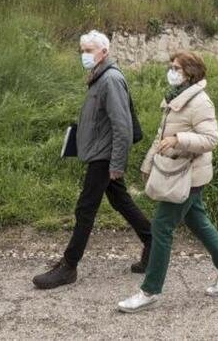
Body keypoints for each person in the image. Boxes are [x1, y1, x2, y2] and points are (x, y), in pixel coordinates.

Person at [117, 50, 218, 313]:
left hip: (189, 175)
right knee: (198, 221)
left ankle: (149, 291)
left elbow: (211, 139)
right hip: (179, 172)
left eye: (176, 68)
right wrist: (148, 163)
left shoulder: (200, 102)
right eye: (171, 67)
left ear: (190, 74)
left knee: (161, 226)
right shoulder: (175, 97)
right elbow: (161, 135)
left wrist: (180, 139)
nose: (171, 71)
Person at [33, 30, 152, 289]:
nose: (84, 55)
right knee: (120, 201)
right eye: (82, 51)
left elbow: (122, 127)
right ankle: (153, 242)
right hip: (100, 151)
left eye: (89, 51)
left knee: (85, 208)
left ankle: (69, 266)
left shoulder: (110, 80)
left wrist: (117, 165)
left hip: (104, 155)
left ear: (104, 52)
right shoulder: (99, 77)